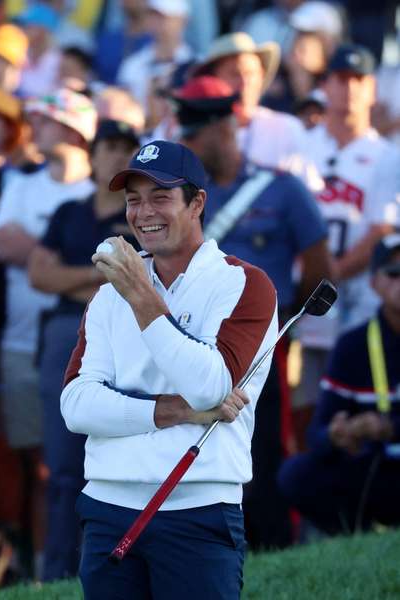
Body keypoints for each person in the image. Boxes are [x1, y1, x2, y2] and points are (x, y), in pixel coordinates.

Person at [62, 139, 278, 598]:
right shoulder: (107, 294)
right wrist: (176, 412)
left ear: (197, 202)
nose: (143, 213)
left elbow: (208, 386)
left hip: (199, 510)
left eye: (160, 197)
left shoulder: (245, 284)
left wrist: (142, 297)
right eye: (133, 201)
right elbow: (77, 406)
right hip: (107, 503)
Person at [173, 75, 331, 548]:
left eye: (197, 137)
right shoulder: (184, 195)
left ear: (226, 127)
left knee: (267, 445)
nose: (192, 146)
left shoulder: (281, 189)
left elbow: (319, 265)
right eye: (187, 137)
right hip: (196, 342)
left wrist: (285, 324)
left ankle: (275, 543)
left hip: (265, 345)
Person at [27, 119, 140, 581]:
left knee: (121, 463)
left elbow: (140, 278)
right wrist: (101, 274)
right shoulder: (68, 213)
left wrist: (73, 276)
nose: (117, 157)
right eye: (109, 147)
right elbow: (39, 276)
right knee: (63, 465)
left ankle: (118, 569)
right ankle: (57, 575)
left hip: (126, 337)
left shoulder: (142, 218)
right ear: (91, 157)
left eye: (126, 149)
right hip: (63, 335)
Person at [0, 87, 96, 580]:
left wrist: (48, 261)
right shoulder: (22, 181)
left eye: (45, 119)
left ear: (75, 131)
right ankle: (36, 566)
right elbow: (1, 242)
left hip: (79, 345)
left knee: (63, 464)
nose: (35, 125)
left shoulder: (93, 196)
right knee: (31, 461)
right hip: (19, 341)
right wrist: (63, 257)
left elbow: (20, 248)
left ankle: (64, 566)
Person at [296, 45, 400, 422]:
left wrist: (331, 273)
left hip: (357, 296)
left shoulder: (387, 155)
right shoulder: (302, 145)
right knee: (302, 403)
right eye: (341, 79)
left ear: (372, 88)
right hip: (303, 294)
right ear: (326, 86)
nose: (350, 89)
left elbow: (382, 227)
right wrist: (314, 277)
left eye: (359, 80)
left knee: (353, 399)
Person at [278, 234, 400, 535]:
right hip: (381, 467)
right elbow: (317, 435)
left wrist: (388, 426)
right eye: (393, 273)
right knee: (297, 474)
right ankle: (358, 535)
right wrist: (339, 433)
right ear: (373, 282)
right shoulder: (353, 345)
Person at [194, 32, 317, 185]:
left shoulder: (288, 129)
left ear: (261, 78)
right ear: (212, 81)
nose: (244, 83)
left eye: (250, 74)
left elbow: (311, 194)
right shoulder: (197, 135)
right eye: (234, 74)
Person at [116, 0, 193, 112]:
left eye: (164, 17)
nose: (158, 23)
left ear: (183, 20)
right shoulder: (133, 64)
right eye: (153, 16)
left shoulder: (195, 67)